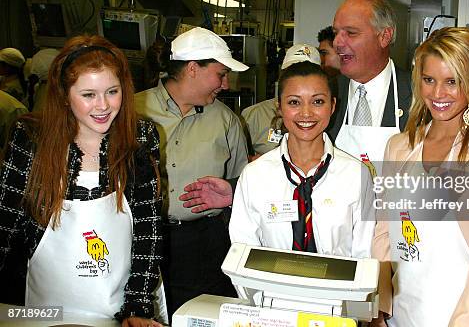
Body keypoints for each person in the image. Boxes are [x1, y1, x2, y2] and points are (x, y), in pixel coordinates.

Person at [0, 35, 165, 326]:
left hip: (118, 306)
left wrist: (137, 307)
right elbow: (5, 222)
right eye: (88, 95)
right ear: (65, 95)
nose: (103, 106)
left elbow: (147, 229)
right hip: (44, 310)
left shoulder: (140, 137)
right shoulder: (31, 138)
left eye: (112, 92)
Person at [371, 27, 469, 326]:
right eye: (429, 80)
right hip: (397, 315)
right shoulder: (399, 147)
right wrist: (379, 310)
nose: (438, 94)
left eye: (452, 82)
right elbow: (384, 235)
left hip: (456, 316)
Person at [135, 26, 250, 317]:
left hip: (206, 243)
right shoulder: (134, 110)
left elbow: (242, 181)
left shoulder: (226, 121)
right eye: (220, 74)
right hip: (142, 237)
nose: (225, 84)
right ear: (193, 68)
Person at [230, 61, 375, 257]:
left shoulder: (355, 174)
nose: (306, 113)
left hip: (337, 287)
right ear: (279, 107)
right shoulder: (254, 175)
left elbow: (365, 250)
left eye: (317, 102)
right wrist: (265, 289)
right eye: (294, 102)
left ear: (332, 106)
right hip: (272, 287)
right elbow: (242, 250)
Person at [328, 0, 411, 172]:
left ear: (384, 36)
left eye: (350, 33)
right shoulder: (326, 92)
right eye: (335, 33)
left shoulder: (420, 94)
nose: (337, 43)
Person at [241, 43, 321, 159]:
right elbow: (237, 159)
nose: (300, 78)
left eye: (308, 72)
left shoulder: (325, 116)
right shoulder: (253, 115)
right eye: (292, 72)